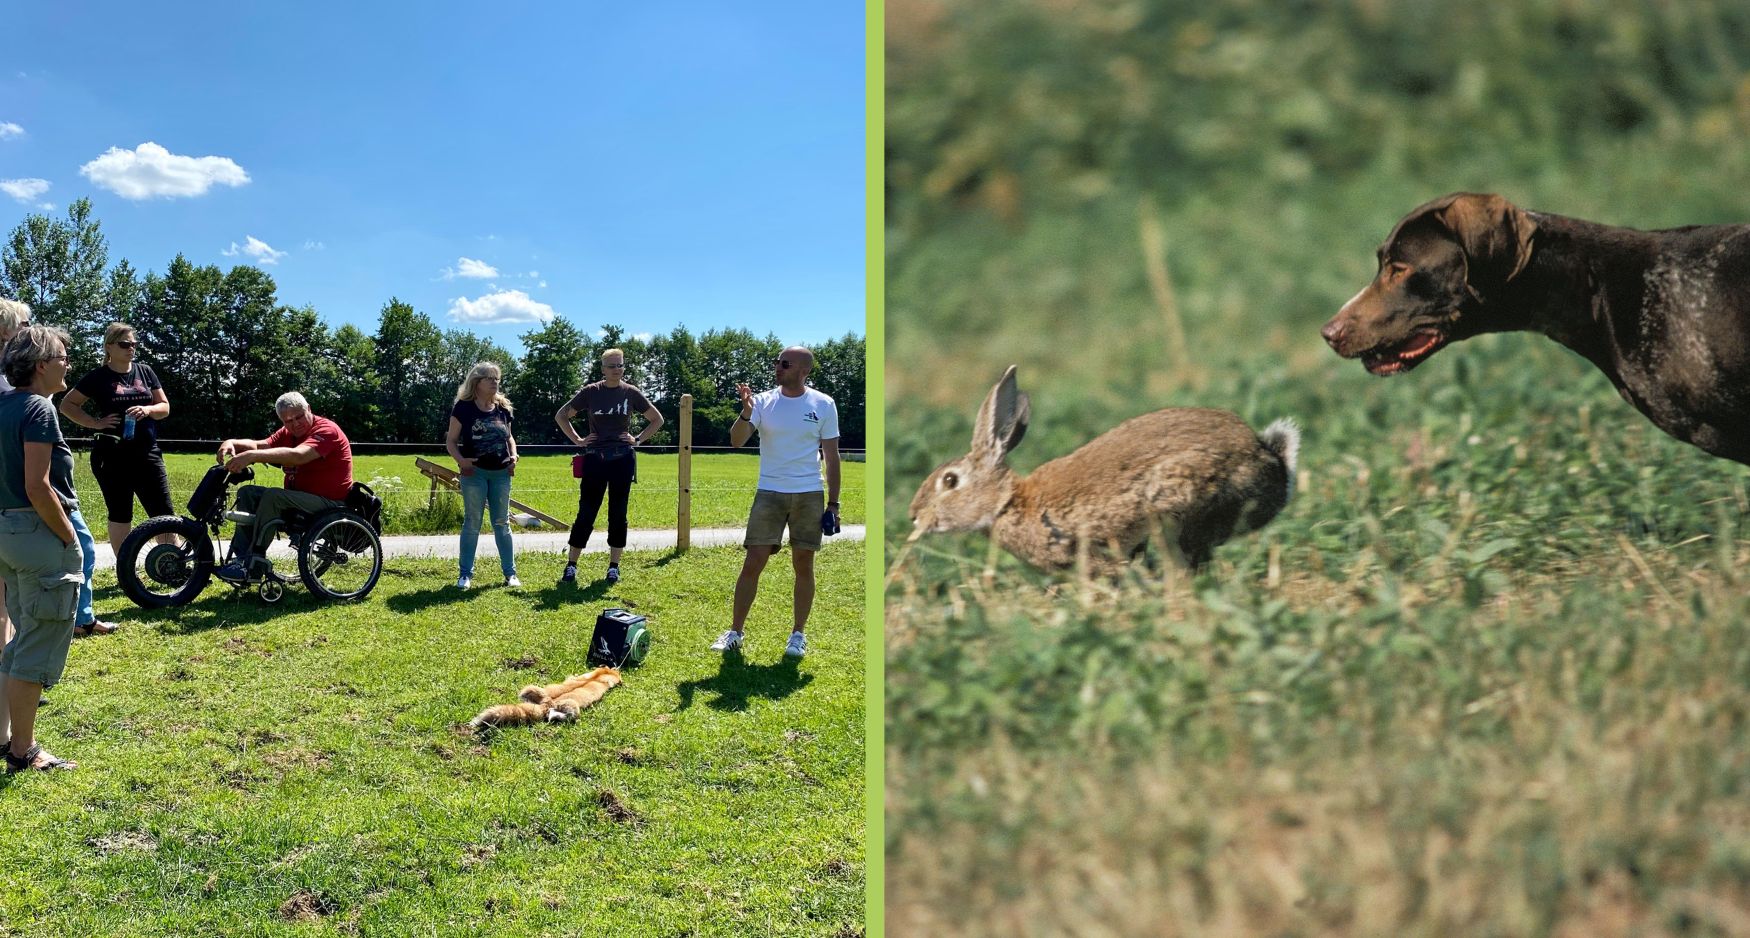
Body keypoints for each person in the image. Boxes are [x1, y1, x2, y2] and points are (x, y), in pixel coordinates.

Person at [710, 346, 841, 659]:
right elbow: (736, 440)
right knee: (753, 561)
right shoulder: (764, 402)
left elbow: (832, 457)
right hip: (769, 492)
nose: (777, 368)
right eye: (776, 362)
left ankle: (798, 635)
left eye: (785, 364)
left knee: (803, 565)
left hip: (809, 493)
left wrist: (833, 504)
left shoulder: (823, 404)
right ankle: (735, 632)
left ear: (803, 371)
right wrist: (745, 410)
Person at [0, 324, 84, 771]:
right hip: (38, 534)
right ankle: (23, 750)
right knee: (37, 641)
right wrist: (68, 536)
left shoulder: (3, 406)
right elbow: (38, 486)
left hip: (6, 537)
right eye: (61, 356)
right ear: (39, 365)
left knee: (20, 638)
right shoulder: (38, 409)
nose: (67, 362)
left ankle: (11, 738)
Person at [213, 392, 353, 582]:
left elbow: (298, 456)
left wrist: (253, 457)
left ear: (309, 409)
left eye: (299, 417)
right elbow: (259, 445)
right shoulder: (288, 433)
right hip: (301, 497)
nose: (295, 424)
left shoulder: (327, 430)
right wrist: (231, 443)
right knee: (248, 492)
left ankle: (255, 562)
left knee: (274, 496)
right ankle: (241, 559)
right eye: (287, 421)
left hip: (329, 503)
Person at [59, 323, 175, 549]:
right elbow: (67, 405)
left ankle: (172, 565)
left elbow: (164, 407)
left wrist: (148, 410)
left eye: (133, 344)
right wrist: (95, 423)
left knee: (162, 511)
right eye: (124, 344)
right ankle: (125, 567)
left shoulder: (145, 371)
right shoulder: (98, 377)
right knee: (120, 512)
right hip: (111, 455)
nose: (130, 348)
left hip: (147, 452)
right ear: (109, 347)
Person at [555, 348, 664, 585]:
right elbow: (562, 415)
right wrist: (578, 440)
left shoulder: (631, 393)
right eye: (611, 366)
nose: (616, 370)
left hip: (622, 459)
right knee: (586, 512)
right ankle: (571, 565)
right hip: (595, 458)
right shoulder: (591, 392)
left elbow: (657, 419)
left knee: (618, 514)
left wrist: (638, 439)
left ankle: (614, 567)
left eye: (620, 365)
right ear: (602, 369)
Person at [446, 362, 520, 589]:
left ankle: (510, 574)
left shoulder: (503, 408)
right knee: (472, 522)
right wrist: (462, 461)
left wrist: (514, 455)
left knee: (502, 522)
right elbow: (451, 441)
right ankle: (465, 574)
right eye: (489, 378)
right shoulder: (463, 408)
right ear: (476, 382)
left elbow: (509, 437)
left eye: (497, 378)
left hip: (501, 474)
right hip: (474, 474)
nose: (495, 382)